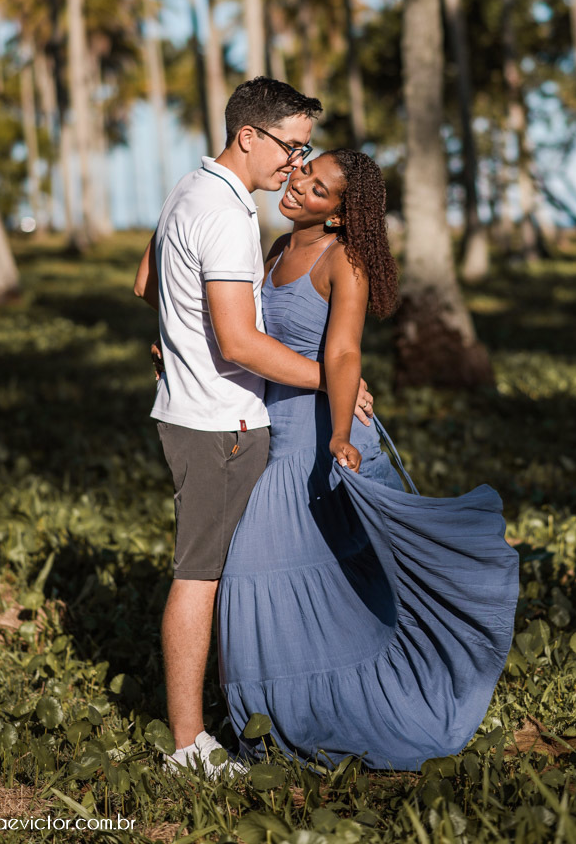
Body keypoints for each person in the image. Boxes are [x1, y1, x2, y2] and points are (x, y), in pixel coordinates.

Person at [216, 149, 520, 770]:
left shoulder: (343, 260)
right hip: (272, 428)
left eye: (320, 189)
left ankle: (312, 714)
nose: (300, 185)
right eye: (305, 172)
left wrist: (338, 433)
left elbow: (346, 353)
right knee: (289, 579)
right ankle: (271, 721)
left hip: (322, 433)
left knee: (271, 571)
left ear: (337, 215)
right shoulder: (275, 248)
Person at [133, 78, 374, 779]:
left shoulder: (190, 188)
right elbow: (239, 344)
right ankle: (188, 744)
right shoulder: (229, 215)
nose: (295, 164)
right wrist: (335, 383)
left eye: (304, 150)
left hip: (191, 411)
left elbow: (147, 279)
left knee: (218, 573)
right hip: (221, 422)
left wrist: (172, 339)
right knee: (200, 577)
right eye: (291, 146)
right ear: (249, 136)